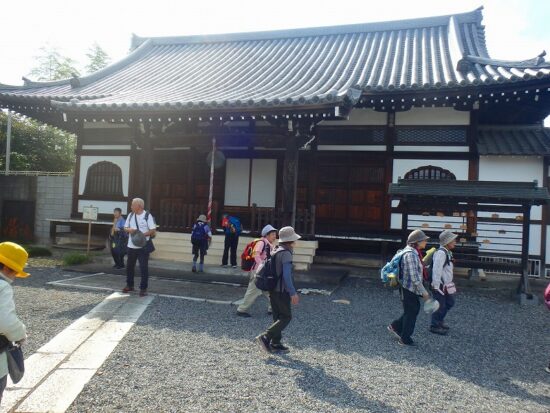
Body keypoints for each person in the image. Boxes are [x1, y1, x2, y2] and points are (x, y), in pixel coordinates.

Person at [256, 226, 301, 354]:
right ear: (290, 241)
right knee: (286, 316)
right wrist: (292, 292)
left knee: (277, 317)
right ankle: (266, 337)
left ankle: (276, 342)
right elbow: (286, 275)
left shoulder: (276, 249)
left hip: (273, 288)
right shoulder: (286, 253)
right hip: (282, 290)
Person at [388, 229, 431, 346]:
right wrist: (424, 292)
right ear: (417, 242)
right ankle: (404, 339)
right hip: (408, 288)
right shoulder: (411, 255)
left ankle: (395, 326)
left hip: (409, 288)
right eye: (424, 240)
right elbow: (414, 278)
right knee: (411, 312)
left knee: (411, 310)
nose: (426, 241)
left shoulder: (413, 252)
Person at [0, 242, 29, 405]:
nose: (15, 276)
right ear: (6, 268)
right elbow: (5, 321)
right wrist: (20, 334)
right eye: (16, 271)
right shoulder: (3, 287)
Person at [236, 224, 277, 317]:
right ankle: (241, 310)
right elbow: (256, 254)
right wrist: (262, 265)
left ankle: (273, 308)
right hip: (258, 272)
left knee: (269, 290)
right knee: (253, 291)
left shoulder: (269, 244)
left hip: (264, 272)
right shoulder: (261, 243)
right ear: (266, 235)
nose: (275, 236)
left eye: (275, 234)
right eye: (273, 234)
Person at [123, 198, 156, 297]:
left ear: (139, 206)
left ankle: (143, 288)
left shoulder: (147, 216)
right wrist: (130, 230)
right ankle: (129, 285)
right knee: (129, 266)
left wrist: (141, 235)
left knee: (143, 267)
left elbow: (153, 230)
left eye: (133, 205)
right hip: (131, 245)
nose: (131, 207)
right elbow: (125, 227)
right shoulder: (130, 215)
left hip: (143, 246)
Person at [430, 230, 457, 335]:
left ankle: (439, 320)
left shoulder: (447, 252)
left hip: (445, 284)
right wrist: (436, 286)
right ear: (447, 242)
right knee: (440, 306)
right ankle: (434, 325)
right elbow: (436, 270)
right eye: (453, 240)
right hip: (439, 285)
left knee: (450, 302)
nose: (455, 242)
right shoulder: (441, 253)